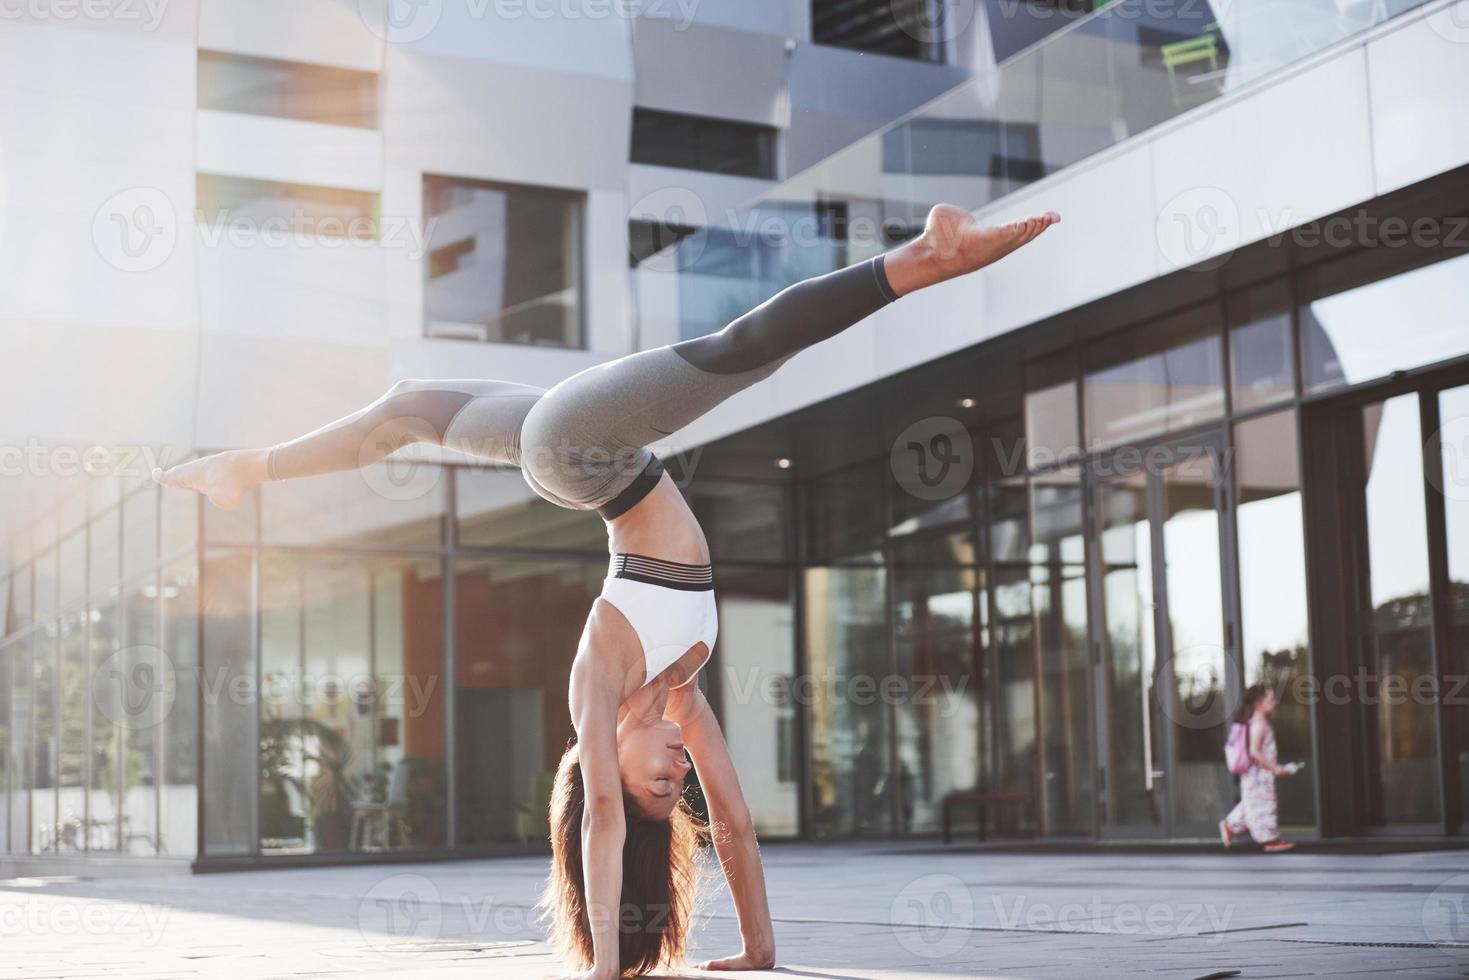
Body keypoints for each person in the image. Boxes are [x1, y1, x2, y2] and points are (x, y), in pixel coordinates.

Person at [154, 203, 1060, 977]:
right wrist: (760, 950)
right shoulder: (684, 696)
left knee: (738, 347)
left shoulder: (600, 680)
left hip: (584, 457)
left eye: (654, 786)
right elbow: (737, 829)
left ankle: (920, 261)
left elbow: (599, 826)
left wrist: (598, 968)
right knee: (404, 407)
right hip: (582, 458)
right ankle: (249, 468)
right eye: (678, 788)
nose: (676, 775)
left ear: (609, 777)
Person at [1220, 683, 1296, 854]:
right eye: (1270, 699)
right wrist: (1275, 768)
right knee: (1264, 805)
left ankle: (1229, 824)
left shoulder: (1256, 722)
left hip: (1255, 774)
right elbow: (1254, 752)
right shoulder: (1258, 724)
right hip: (1259, 775)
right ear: (1258, 703)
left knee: (1252, 804)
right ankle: (1269, 839)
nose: (1274, 702)